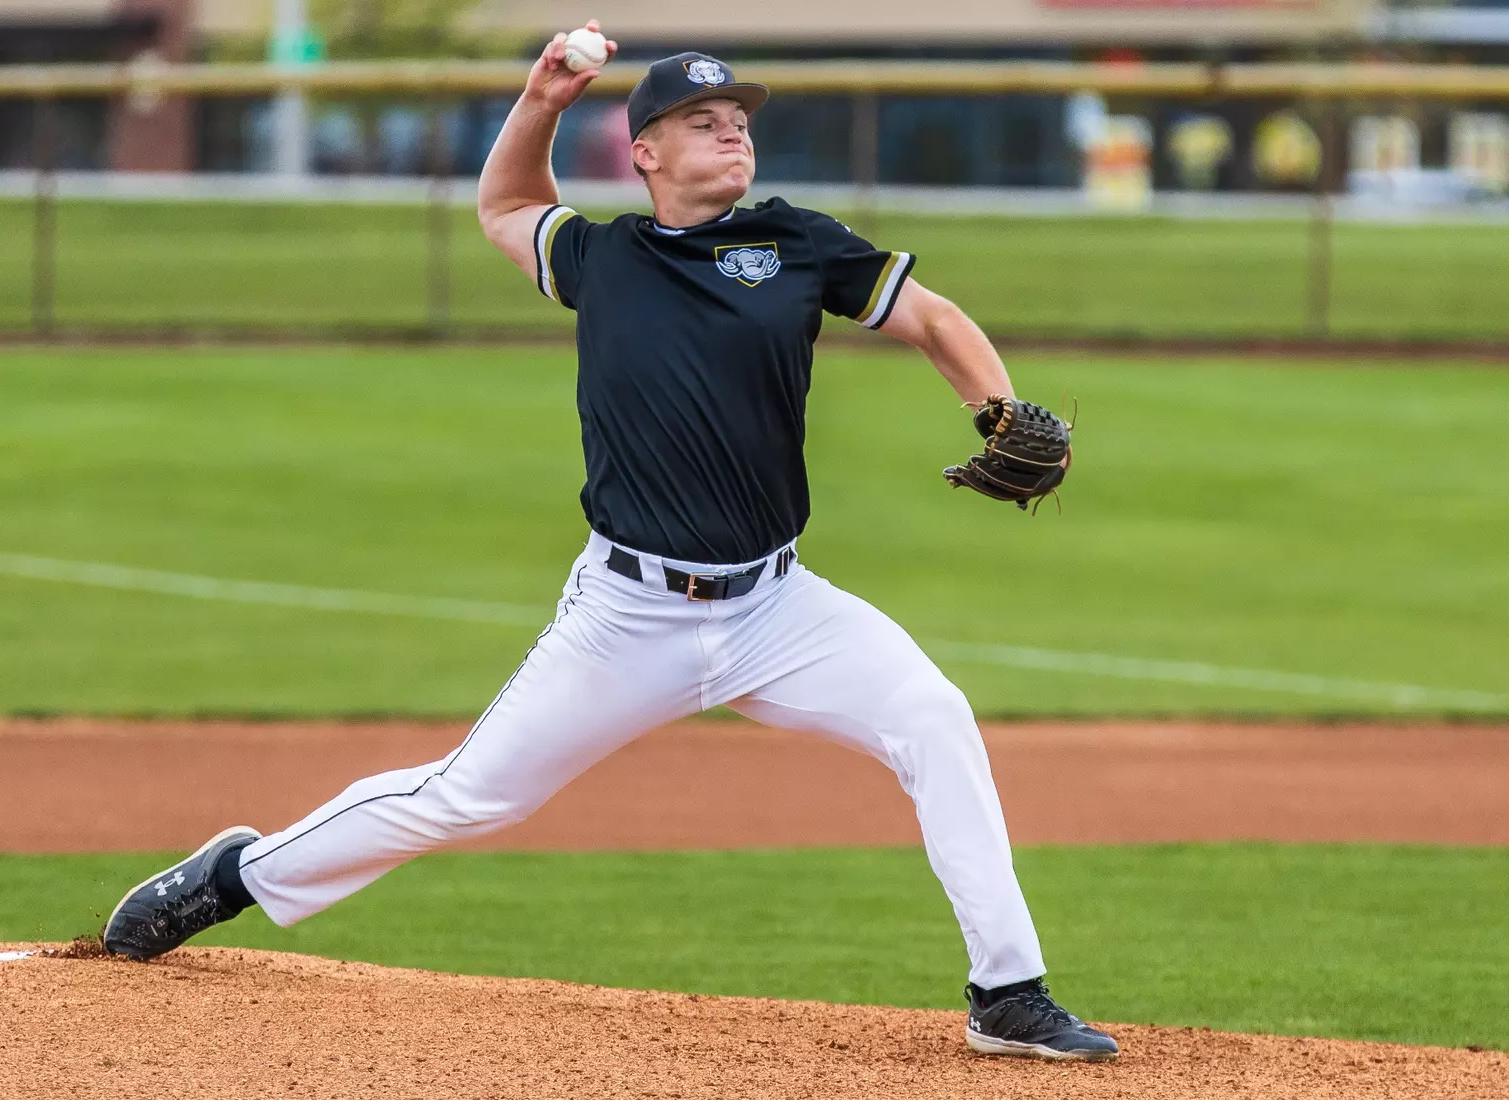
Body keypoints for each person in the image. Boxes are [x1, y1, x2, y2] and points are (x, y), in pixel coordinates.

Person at [102, 25, 1117, 1063]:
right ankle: (238, 873)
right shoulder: (603, 257)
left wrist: (998, 409)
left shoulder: (798, 243)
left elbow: (932, 317)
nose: (732, 134)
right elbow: (502, 205)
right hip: (630, 616)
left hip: (779, 607)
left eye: (739, 121)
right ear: (643, 153)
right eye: (702, 121)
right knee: (465, 795)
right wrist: (543, 96)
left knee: (931, 715)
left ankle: (1007, 988)